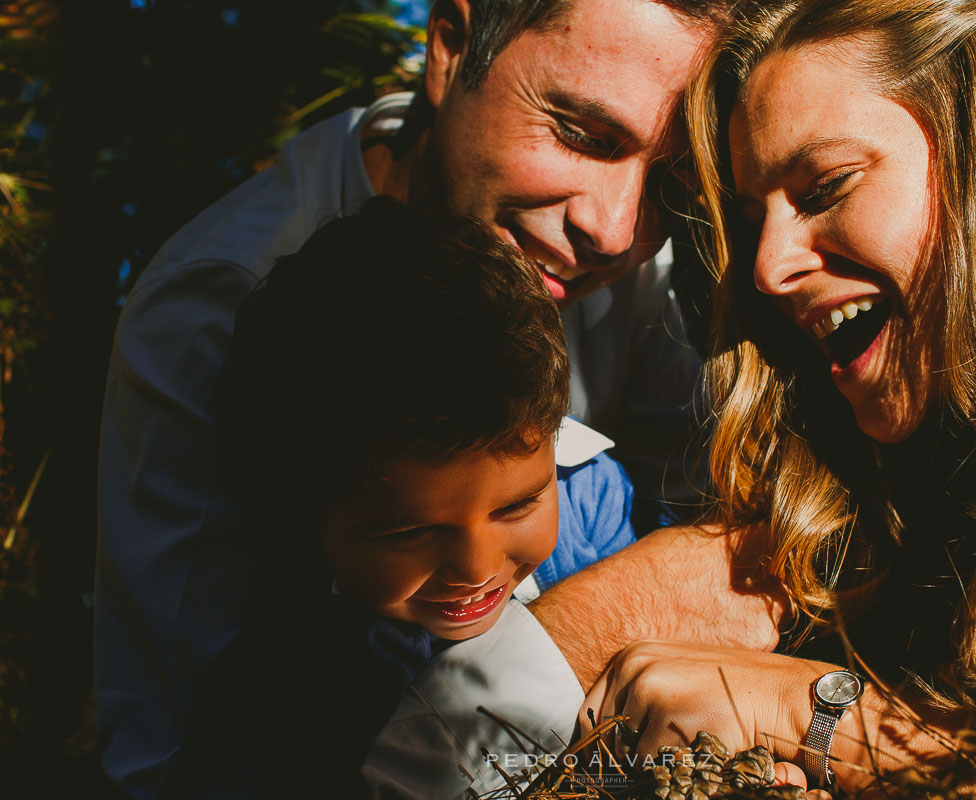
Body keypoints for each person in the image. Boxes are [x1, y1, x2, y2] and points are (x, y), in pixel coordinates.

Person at [96, 0, 783, 796]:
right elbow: (165, 758)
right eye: (583, 135)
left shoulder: (621, 256)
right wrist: (569, 639)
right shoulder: (218, 308)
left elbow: (736, 519)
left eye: (671, 181)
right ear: (451, 45)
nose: (617, 227)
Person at [582, 0, 976, 792]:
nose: (769, 268)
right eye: (751, 218)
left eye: (825, 185)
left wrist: (829, 721)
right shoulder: (863, 502)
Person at [155, 197, 639, 796]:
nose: (477, 567)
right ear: (308, 518)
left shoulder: (587, 495)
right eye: (408, 533)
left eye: (517, 506)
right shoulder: (283, 690)